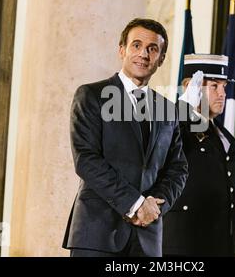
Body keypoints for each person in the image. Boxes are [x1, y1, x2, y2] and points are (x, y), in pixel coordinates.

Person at [62, 18, 188, 257]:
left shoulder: (168, 110)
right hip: (98, 235)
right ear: (122, 50)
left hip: (147, 239)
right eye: (136, 45)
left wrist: (153, 206)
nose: (143, 54)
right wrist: (136, 204)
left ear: (161, 59)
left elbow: (178, 168)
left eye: (153, 49)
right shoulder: (91, 95)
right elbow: (86, 160)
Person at [163, 54, 235, 257]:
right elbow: (163, 141)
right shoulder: (177, 125)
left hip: (219, 243)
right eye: (214, 86)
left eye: (224, 86)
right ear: (193, 86)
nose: (222, 93)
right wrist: (185, 108)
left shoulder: (226, 138)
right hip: (183, 244)